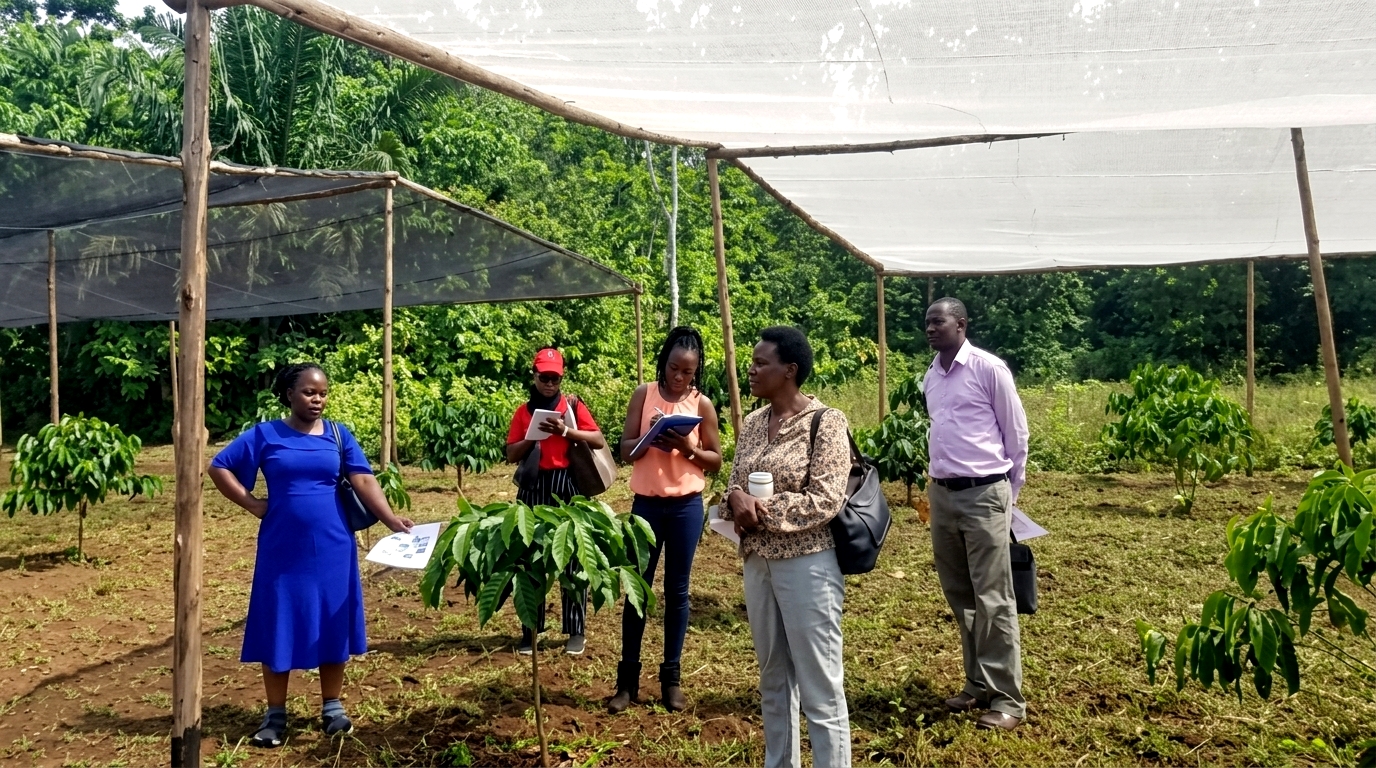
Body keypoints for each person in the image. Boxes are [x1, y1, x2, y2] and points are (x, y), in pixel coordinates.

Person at [207, 363, 414, 748]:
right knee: (279, 620)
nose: (317, 399)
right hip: (282, 547)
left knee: (332, 619)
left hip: (334, 546)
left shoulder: (338, 434)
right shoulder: (266, 435)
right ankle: (275, 714)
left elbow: (364, 479)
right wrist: (253, 504)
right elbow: (220, 467)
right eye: (308, 392)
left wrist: (389, 519)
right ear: (289, 394)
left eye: (322, 393)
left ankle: (332, 706)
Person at [722, 326, 853, 768]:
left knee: (820, 685)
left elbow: (827, 499)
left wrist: (760, 510)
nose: (752, 369)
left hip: (807, 564)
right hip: (758, 562)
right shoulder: (755, 423)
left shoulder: (826, 422)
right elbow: (735, 484)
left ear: (790, 371)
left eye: (761, 363)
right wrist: (734, 499)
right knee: (773, 678)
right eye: (753, 361)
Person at [923, 297, 1030, 732]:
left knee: (993, 598)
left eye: (938, 321)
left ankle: (1007, 699)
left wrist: (1008, 494)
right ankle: (976, 684)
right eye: (927, 323)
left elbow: (1016, 434)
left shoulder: (988, 369)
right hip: (942, 495)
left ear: (961, 325)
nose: (930, 329)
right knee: (961, 596)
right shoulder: (931, 375)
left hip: (985, 492)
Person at [609, 327, 723, 714]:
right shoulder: (644, 394)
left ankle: (670, 679)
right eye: (674, 368)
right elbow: (624, 450)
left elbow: (715, 460)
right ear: (664, 361)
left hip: (686, 506)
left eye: (688, 372)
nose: (679, 377)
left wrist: (688, 448)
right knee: (637, 591)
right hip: (647, 506)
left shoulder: (702, 404)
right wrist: (648, 442)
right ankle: (627, 682)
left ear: (696, 371)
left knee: (678, 592)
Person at [505, 346, 607, 656]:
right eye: (544, 377)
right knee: (529, 555)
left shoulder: (571, 405)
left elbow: (598, 439)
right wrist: (533, 438)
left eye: (555, 378)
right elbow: (510, 453)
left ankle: (576, 630)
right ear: (534, 376)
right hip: (534, 485)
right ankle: (531, 628)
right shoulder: (523, 413)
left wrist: (567, 430)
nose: (550, 384)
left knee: (573, 556)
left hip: (567, 484)